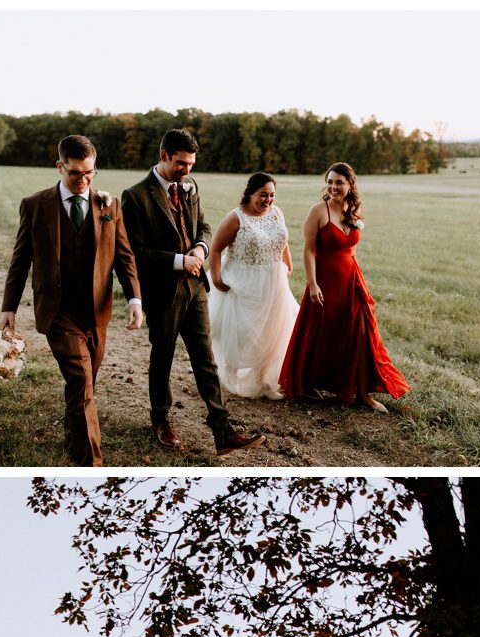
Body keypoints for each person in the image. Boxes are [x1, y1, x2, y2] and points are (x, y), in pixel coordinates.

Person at [0, 135, 143, 468]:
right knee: (81, 379)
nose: (83, 181)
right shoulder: (35, 205)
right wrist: (8, 307)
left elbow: (124, 256)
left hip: (96, 311)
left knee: (85, 382)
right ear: (59, 166)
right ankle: (90, 463)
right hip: (58, 311)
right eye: (75, 173)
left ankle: (72, 436)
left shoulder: (109, 205)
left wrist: (134, 298)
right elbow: (20, 260)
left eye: (89, 173)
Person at [120, 129, 264, 455]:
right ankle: (160, 421)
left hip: (196, 288)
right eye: (181, 163)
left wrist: (200, 248)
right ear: (164, 156)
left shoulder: (190, 186)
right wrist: (177, 261)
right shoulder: (136, 196)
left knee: (205, 359)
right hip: (163, 292)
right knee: (163, 358)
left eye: (191, 164)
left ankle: (222, 430)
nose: (187, 170)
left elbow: (204, 226)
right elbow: (134, 251)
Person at [278, 163, 409, 410]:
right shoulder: (318, 211)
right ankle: (308, 383)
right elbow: (308, 250)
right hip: (325, 280)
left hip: (351, 279)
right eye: (330, 182)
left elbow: (351, 249)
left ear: (350, 185)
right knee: (322, 332)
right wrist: (313, 284)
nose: (333, 187)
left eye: (339, 182)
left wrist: (355, 276)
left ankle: (362, 393)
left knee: (361, 333)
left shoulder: (353, 210)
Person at [207, 172, 297, 399]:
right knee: (243, 331)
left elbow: (281, 239)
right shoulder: (236, 218)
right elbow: (216, 248)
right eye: (263, 195)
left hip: (273, 281)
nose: (268, 200)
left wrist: (288, 264)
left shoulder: (277, 213)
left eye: (272, 195)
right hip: (242, 282)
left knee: (271, 331)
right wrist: (217, 279)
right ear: (250, 193)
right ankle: (230, 374)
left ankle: (263, 380)